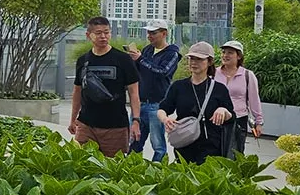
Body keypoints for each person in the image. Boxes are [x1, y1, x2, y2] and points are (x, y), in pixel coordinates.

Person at [70, 16, 141, 157]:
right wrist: (73, 119)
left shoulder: (123, 59)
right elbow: (77, 91)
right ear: (88, 35)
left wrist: (136, 121)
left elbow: (134, 93)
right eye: (98, 33)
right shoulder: (83, 61)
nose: (103, 36)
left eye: (106, 32)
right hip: (86, 125)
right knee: (82, 163)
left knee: (113, 166)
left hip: (115, 127)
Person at [158, 41, 236, 164]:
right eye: (191, 58)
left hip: (211, 148)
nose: (194, 62)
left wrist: (223, 111)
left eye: (199, 59)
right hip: (184, 145)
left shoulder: (219, 89)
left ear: (209, 61)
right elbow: (163, 108)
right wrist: (165, 119)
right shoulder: (178, 86)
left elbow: (232, 116)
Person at [127, 19, 181, 160]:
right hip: (140, 103)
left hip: (157, 104)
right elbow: (139, 72)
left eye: (153, 33)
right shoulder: (147, 50)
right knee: (134, 140)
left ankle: (157, 169)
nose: (149, 36)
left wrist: (141, 59)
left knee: (158, 145)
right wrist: (133, 60)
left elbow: (163, 72)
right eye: (148, 33)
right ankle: (132, 168)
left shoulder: (172, 53)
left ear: (164, 33)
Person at [214, 40, 264, 155]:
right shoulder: (214, 73)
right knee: (214, 153)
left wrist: (258, 122)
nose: (225, 55)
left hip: (238, 120)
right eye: (223, 52)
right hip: (216, 118)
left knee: (235, 153)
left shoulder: (247, 75)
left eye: (230, 53)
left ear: (239, 56)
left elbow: (254, 100)